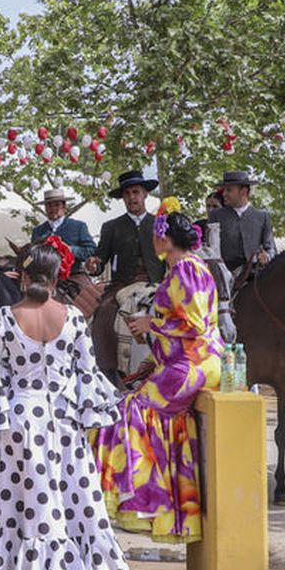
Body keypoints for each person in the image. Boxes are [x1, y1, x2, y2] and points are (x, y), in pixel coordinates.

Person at [0, 239, 146, 570]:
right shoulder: (75, 320)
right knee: (73, 506)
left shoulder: (7, 319)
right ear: (59, 275)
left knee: (21, 512)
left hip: (21, 423)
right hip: (64, 423)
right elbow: (88, 377)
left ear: (22, 277)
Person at [94, 202, 224, 542]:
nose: (153, 240)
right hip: (181, 362)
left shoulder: (185, 270)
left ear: (166, 240)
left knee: (125, 413)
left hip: (190, 365)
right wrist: (154, 356)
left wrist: (150, 322)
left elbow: (193, 324)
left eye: (156, 235)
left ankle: (128, 497)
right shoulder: (185, 268)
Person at [86, 169, 165, 378]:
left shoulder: (160, 224)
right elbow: (100, 258)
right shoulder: (111, 227)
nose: (132, 197)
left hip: (156, 283)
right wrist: (94, 264)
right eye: (127, 194)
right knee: (103, 313)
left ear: (145, 194)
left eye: (136, 192)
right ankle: (107, 368)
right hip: (121, 285)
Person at [210, 169, 276, 285]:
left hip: (256, 276)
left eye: (229, 190)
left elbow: (271, 248)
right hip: (224, 277)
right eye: (224, 190)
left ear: (243, 191)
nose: (224, 194)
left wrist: (267, 256)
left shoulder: (262, 216)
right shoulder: (217, 215)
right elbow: (211, 249)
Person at [29, 187, 97, 265]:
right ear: (45, 208)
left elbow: (92, 251)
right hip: (44, 275)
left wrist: (70, 249)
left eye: (57, 205)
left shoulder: (79, 227)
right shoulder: (38, 231)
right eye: (49, 205)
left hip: (73, 274)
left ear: (64, 207)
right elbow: (32, 256)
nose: (53, 208)